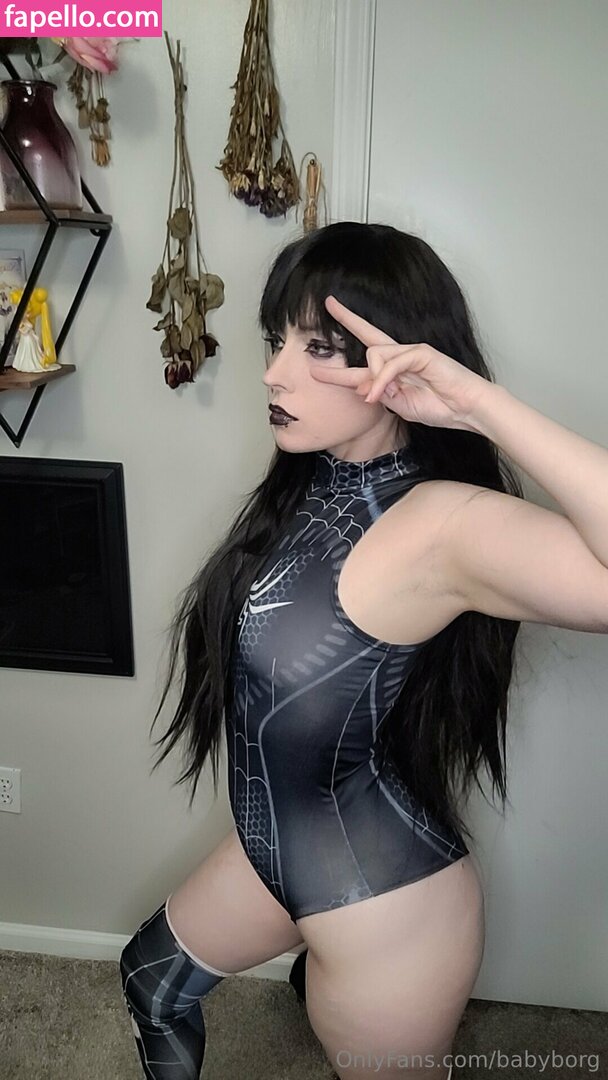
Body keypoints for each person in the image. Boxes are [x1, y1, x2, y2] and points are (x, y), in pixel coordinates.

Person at [119, 221, 608, 1078]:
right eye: (277, 339)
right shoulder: (311, 478)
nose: (273, 372)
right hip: (275, 853)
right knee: (150, 983)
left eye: (319, 348)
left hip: (389, 911)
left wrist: (474, 404)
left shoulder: (442, 525)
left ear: (399, 364)